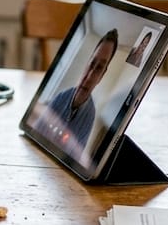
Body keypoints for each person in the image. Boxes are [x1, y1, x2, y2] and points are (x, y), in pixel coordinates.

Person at [36, 29, 120, 160]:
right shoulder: (61, 96)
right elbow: (36, 133)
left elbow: (72, 159)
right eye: (92, 64)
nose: (90, 76)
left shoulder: (90, 116)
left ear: (102, 76)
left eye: (99, 68)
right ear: (86, 64)